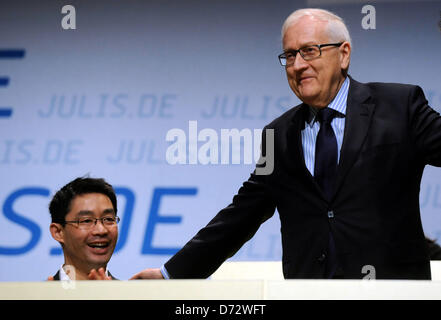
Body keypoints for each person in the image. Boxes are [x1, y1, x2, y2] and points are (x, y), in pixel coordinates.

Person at [131, 8, 441, 280]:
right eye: (289, 55)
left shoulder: (399, 106)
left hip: (391, 290)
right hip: (309, 292)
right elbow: (241, 216)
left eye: (309, 51)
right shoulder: (278, 135)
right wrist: (172, 274)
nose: (297, 65)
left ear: (343, 53)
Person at [48, 177, 120, 280]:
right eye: (86, 221)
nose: (101, 230)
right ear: (58, 232)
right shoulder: (41, 295)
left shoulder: (132, 295)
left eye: (108, 219)